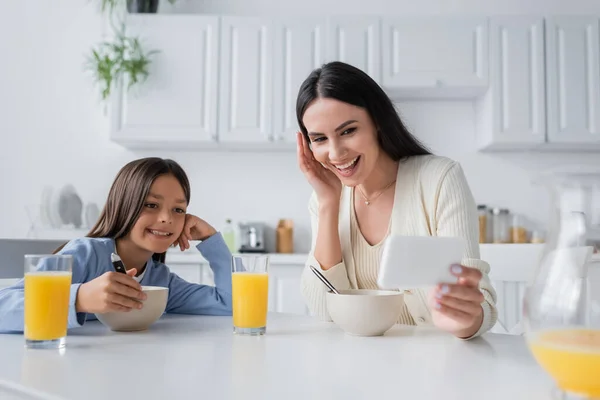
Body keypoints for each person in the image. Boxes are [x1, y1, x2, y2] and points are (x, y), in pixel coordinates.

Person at [296, 61, 497, 339]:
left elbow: (478, 302)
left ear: (377, 121)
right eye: (319, 139)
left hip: (434, 367)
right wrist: (328, 204)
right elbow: (324, 309)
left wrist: (465, 318)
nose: (336, 152)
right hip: (359, 367)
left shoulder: (439, 178)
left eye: (348, 131)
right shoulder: (324, 199)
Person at [0, 157, 232, 332]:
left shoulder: (160, 282)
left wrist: (210, 239)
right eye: (151, 205)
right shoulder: (84, 255)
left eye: (178, 210)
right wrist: (79, 298)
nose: (167, 218)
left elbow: (230, 304)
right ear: (124, 205)